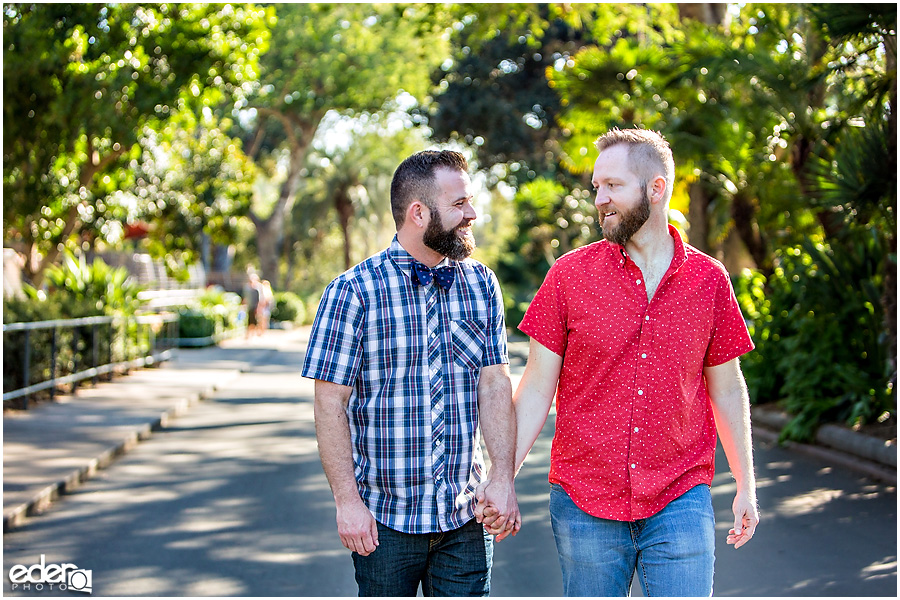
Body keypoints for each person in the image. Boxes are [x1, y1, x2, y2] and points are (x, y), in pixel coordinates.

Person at [479, 128, 758, 596]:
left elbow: (727, 387)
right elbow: (535, 389)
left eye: (613, 186)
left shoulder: (709, 280)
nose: (600, 199)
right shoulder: (569, 276)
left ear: (656, 188)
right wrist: (500, 475)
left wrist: (746, 485)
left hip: (679, 494)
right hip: (584, 500)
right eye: (596, 187)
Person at [302, 150, 520, 597]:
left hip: (465, 519)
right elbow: (330, 404)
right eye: (459, 204)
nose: (472, 214)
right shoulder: (352, 292)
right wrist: (347, 503)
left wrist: (502, 478)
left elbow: (494, 383)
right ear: (418, 213)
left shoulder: (481, 284)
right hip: (385, 523)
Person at [243, 272, 263, 338]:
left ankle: (255, 333)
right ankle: (249, 334)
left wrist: (258, 308)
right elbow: (245, 298)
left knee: (255, 320)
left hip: (255, 307)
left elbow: (259, 299)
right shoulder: (247, 288)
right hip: (250, 306)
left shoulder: (256, 289)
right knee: (249, 320)